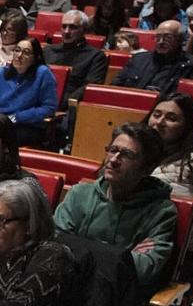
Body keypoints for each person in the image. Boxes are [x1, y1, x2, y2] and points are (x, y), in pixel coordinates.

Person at [55, 123, 177, 294]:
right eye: (113, 150)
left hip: (118, 299)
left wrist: (79, 246)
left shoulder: (162, 212)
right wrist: (121, 256)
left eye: (127, 155)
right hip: (71, 286)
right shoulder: (80, 193)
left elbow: (143, 271)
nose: (113, 160)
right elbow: (54, 245)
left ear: (147, 167)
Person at [146, 94, 193, 266]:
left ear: (188, 126)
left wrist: (149, 221)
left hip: (181, 251)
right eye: (156, 114)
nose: (159, 122)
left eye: (171, 118)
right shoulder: (133, 146)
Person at [0, 36, 58, 145]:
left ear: (35, 57)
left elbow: (48, 108)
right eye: (17, 50)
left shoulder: (43, 73)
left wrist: (17, 117)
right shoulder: (2, 72)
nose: (19, 56)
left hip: (25, 125)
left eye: (26, 52)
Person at [115, 19, 193, 101]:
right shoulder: (138, 59)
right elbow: (116, 86)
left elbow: (186, 99)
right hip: (132, 103)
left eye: (168, 37)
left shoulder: (191, 64)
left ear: (180, 40)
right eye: (158, 37)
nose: (161, 41)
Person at [44, 10, 107, 107]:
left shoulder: (96, 56)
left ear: (84, 30)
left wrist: (61, 103)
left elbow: (89, 87)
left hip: (69, 106)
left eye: (73, 27)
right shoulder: (48, 51)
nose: (66, 31)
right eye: (64, 26)